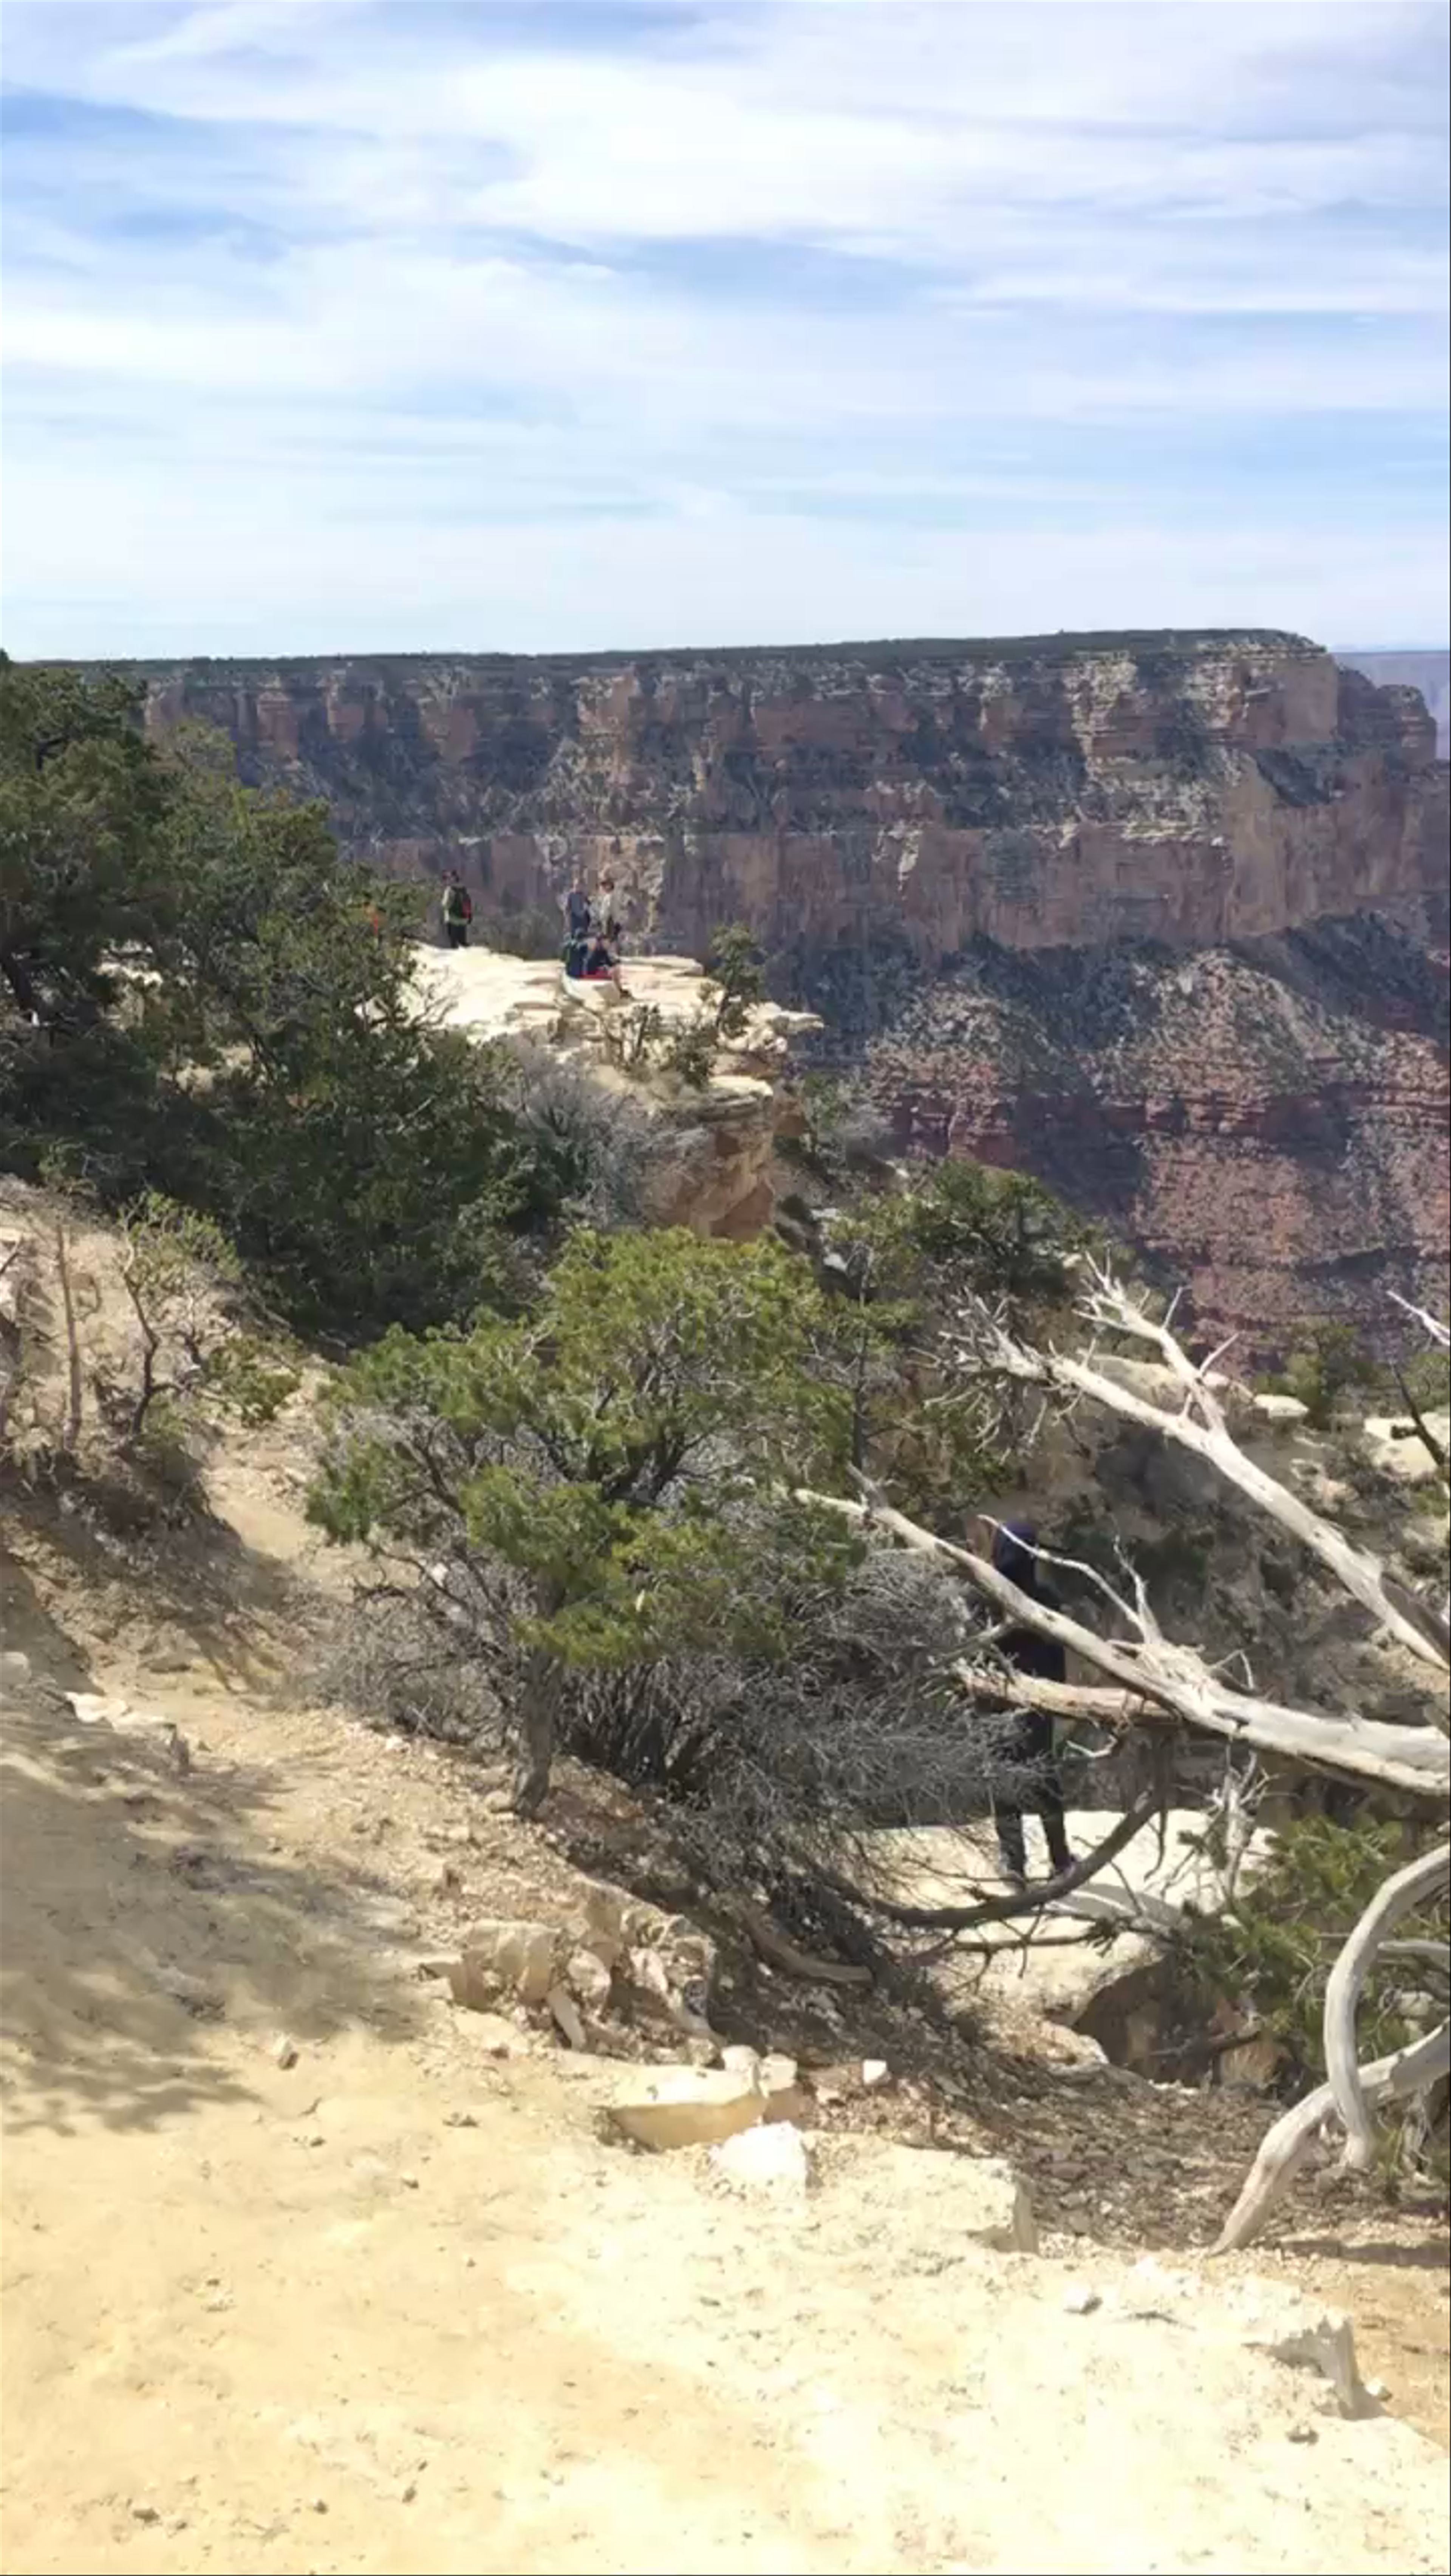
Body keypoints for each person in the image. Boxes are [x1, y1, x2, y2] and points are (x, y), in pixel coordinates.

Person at [987, 1520, 1073, 1889]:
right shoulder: (1048, 1597)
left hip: (993, 1704)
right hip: (1038, 1702)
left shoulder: (982, 1597)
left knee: (1004, 1779)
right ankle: (1060, 1859)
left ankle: (1014, 1864)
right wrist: (1059, 1695)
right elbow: (1058, 1657)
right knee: (1043, 1776)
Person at [441, 872, 473, 949]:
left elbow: (446, 905)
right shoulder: (463, 890)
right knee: (463, 937)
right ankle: (465, 946)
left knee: (453, 938)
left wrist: (445, 907)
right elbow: (468, 903)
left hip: (454, 918)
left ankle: (454, 949)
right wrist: (469, 916)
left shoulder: (451, 891)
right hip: (464, 917)